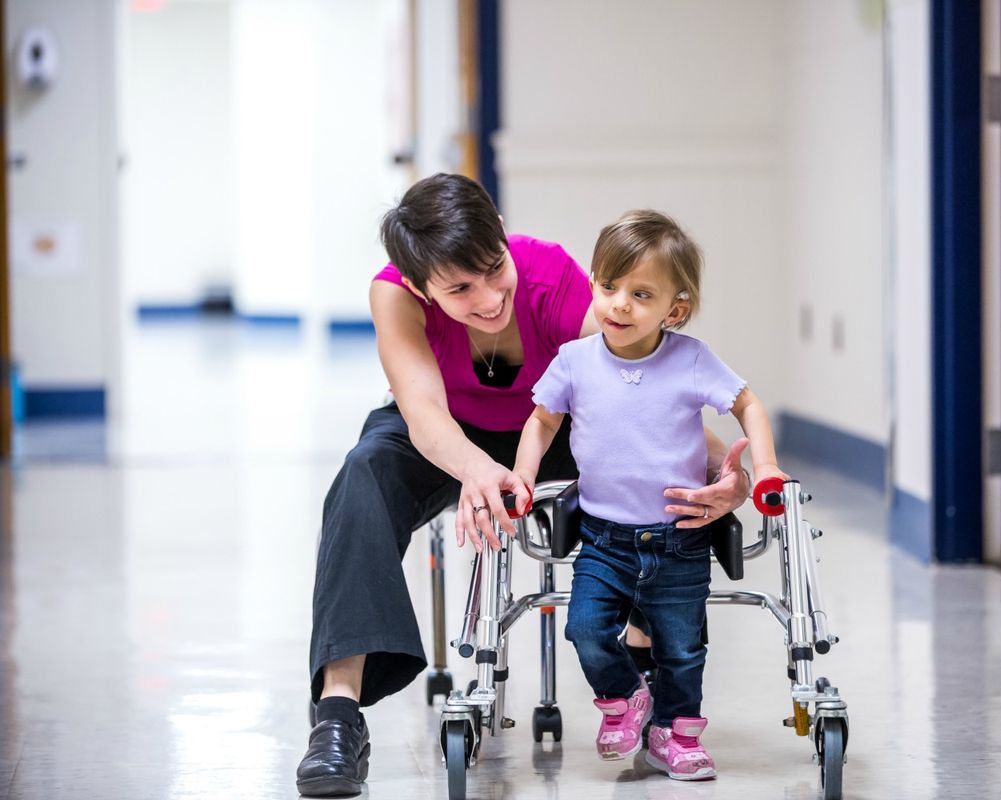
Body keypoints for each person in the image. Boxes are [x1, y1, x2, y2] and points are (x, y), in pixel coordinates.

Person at [295, 174, 751, 797]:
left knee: (648, 468)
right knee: (361, 474)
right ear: (421, 287)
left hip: (548, 428)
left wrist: (722, 468)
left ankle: (645, 667)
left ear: (503, 239)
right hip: (446, 431)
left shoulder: (549, 273)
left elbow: (638, 393)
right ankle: (338, 714)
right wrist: (478, 470)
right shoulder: (394, 294)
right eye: (460, 289)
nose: (488, 299)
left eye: (494, 269)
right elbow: (423, 413)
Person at [509, 210, 786, 781]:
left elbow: (748, 405)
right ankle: (624, 698)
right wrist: (523, 476)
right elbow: (541, 421)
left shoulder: (690, 359)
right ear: (593, 283)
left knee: (681, 649)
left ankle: (674, 735)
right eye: (609, 286)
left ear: (673, 310)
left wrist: (765, 468)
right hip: (603, 540)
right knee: (585, 629)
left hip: (679, 537)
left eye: (641, 294)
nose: (619, 305)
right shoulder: (575, 361)